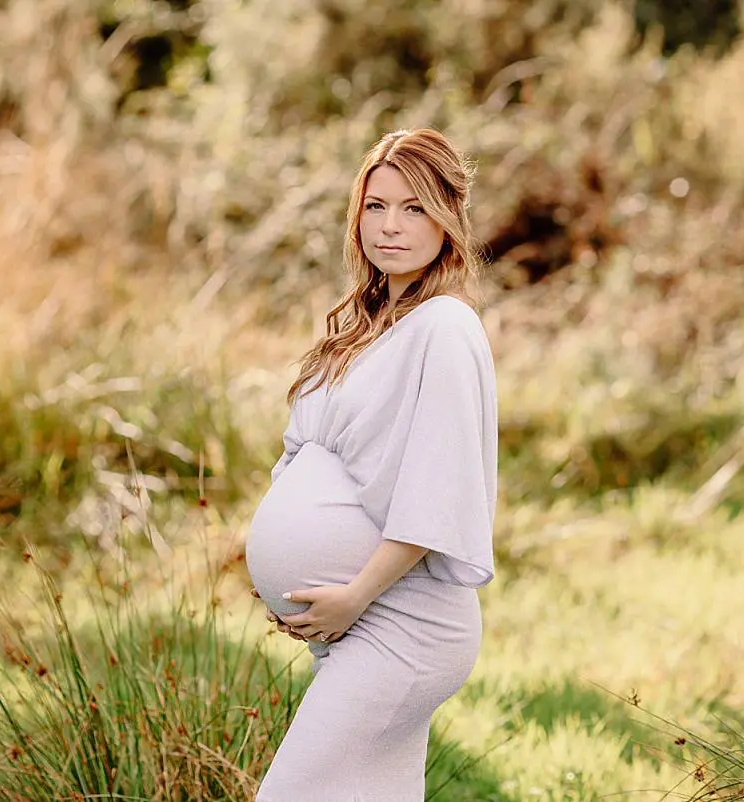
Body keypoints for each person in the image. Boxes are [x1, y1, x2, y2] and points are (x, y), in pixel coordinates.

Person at [245, 127, 498, 801]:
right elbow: (304, 457)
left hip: (402, 623)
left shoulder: (444, 328)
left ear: (448, 219)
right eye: (376, 205)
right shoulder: (363, 324)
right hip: (355, 625)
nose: (391, 226)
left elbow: (437, 490)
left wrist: (351, 596)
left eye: (414, 208)